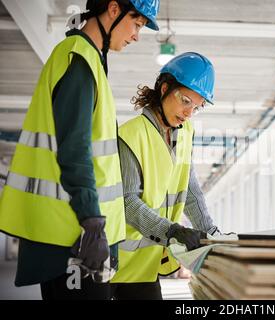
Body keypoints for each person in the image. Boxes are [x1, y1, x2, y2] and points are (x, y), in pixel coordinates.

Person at [0, 0, 160, 300]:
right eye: (137, 24)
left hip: (76, 232)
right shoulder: (80, 62)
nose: (137, 35)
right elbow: (75, 151)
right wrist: (93, 223)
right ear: (114, 9)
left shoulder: (85, 60)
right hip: (75, 235)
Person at [110, 52, 221, 300]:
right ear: (164, 88)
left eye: (197, 106)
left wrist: (211, 233)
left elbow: (191, 190)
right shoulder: (132, 134)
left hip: (144, 267)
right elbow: (127, 202)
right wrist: (171, 231)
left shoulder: (185, 133)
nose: (189, 112)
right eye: (185, 101)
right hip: (112, 262)